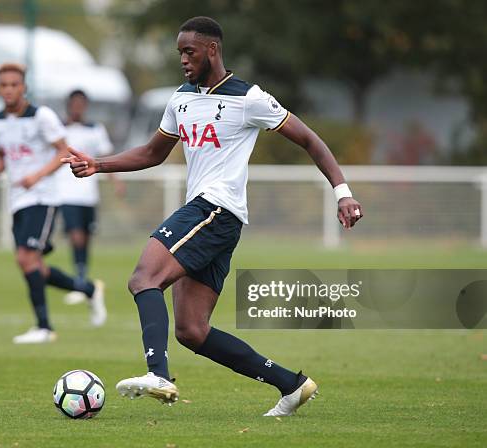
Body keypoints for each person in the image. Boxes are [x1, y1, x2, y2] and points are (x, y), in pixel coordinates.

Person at [63, 17, 363, 416]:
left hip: (216, 209)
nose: (184, 60)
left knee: (143, 278)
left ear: (212, 50)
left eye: (190, 52)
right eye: (179, 53)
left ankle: (158, 374)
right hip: (215, 216)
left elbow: (310, 140)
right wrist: (99, 165)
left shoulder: (248, 98)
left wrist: (342, 192)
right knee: (191, 330)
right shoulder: (181, 99)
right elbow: (153, 153)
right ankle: (291, 385)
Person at [0, 63, 104, 344]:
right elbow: (2, 157)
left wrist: (37, 175)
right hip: (17, 200)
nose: (9, 89)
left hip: (43, 197)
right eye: (4, 85)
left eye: (15, 84)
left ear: (24, 87)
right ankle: (87, 289)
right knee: (33, 264)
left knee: (26, 258)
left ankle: (44, 327)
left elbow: (63, 151)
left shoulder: (42, 116)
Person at [56, 90, 124, 327]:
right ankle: (81, 280)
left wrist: (116, 181)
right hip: (66, 193)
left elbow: (104, 157)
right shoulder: (59, 129)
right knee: (74, 236)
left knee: (85, 237)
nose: (77, 108)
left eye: (81, 104)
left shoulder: (95, 129)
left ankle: (82, 278)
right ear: (68, 105)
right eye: (73, 103)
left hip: (88, 194)